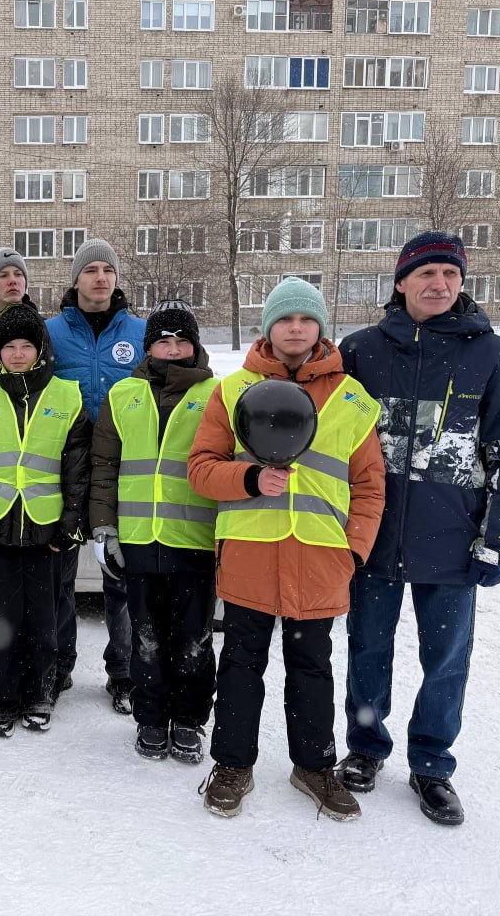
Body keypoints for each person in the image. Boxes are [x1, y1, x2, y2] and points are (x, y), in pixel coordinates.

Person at [338, 231, 500, 826]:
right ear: (401, 283)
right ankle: (367, 748)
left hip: (451, 544)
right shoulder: (361, 350)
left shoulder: (492, 356)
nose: (439, 285)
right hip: (370, 538)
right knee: (367, 647)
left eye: (449, 275)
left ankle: (431, 764)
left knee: (446, 658)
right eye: (426, 274)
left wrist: (499, 538)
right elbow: (329, 449)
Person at [188, 277, 385, 821]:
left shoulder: (352, 397)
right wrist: (250, 479)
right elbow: (200, 470)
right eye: (284, 319)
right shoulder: (230, 391)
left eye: (305, 319)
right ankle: (232, 765)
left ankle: (315, 766)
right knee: (241, 664)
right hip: (250, 555)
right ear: (267, 327)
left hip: (322, 560)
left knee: (312, 667)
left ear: (320, 327)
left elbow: (369, 485)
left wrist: (354, 552)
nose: (295, 329)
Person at [0, 304, 91, 737]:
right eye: (10, 346)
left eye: (28, 345)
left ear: (42, 350)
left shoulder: (68, 397)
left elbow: (78, 471)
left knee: (44, 620)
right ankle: (1, 697)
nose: (19, 354)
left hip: (47, 530)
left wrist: (69, 526)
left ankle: (40, 693)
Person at [87, 299, 219, 764]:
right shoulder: (124, 395)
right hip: (139, 539)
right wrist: (103, 527)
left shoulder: (218, 396)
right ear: (148, 348)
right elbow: (103, 466)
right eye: (164, 340)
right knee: (145, 637)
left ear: (195, 346)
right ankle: (150, 720)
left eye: (182, 339)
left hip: (195, 541)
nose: (173, 347)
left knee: (194, 639)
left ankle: (188, 720)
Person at [45, 238, 147, 711]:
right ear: (76, 279)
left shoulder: (142, 333)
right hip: (66, 468)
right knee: (59, 575)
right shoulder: (51, 333)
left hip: (122, 468)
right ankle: (59, 662)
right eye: (91, 270)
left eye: (108, 269)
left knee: (119, 576)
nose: (100, 277)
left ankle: (123, 671)